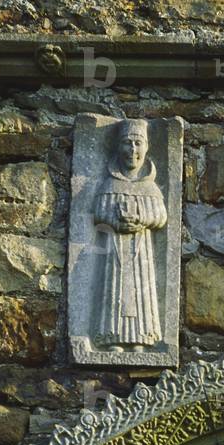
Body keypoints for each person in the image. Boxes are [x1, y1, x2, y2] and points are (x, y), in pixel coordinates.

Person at [94, 119, 167, 351]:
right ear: (118, 147)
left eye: (138, 143)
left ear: (146, 148)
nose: (132, 150)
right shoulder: (109, 184)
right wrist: (117, 221)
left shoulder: (151, 188)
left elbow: (160, 217)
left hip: (141, 250)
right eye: (127, 143)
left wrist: (141, 219)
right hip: (114, 248)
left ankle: (141, 340)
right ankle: (112, 338)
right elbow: (99, 213)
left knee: (141, 290)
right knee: (113, 288)